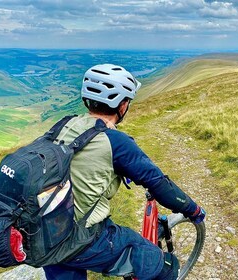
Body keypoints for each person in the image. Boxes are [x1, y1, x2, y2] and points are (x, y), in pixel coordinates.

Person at [43, 64, 206, 280]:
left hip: (43, 232)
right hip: (81, 238)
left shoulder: (64, 124)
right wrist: (192, 210)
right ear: (122, 104)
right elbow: (159, 184)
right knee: (166, 268)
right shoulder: (115, 141)